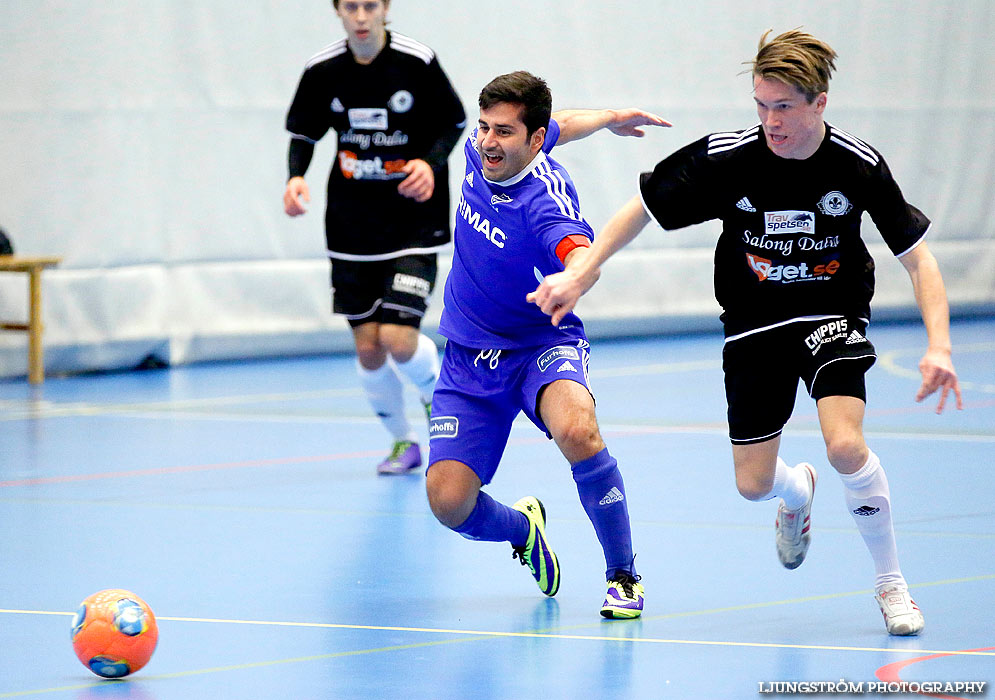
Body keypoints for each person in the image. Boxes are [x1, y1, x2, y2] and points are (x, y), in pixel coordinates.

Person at [528, 30, 963, 635]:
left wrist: (938, 346)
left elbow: (919, 258)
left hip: (830, 316)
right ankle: (795, 491)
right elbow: (642, 208)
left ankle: (892, 584)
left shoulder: (856, 166)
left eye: (783, 106)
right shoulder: (729, 157)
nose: (769, 120)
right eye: (760, 105)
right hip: (754, 324)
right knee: (753, 486)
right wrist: (582, 271)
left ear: (819, 104)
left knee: (844, 444)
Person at [424, 71, 669, 618]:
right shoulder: (481, 151)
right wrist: (608, 118)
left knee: (578, 430)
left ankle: (622, 573)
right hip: (468, 354)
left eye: (504, 133)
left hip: (540, 341)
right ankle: (523, 530)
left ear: (533, 141)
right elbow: (566, 123)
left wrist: (574, 278)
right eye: (485, 127)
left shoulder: (545, 201)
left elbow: (582, 253)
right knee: (447, 503)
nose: (488, 141)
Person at [283, 0, 466, 475]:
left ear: (385, 9)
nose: (361, 16)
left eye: (369, 6)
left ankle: (439, 404)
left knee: (399, 339)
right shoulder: (322, 69)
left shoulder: (416, 61)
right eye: (351, 7)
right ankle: (402, 443)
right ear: (338, 12)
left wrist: (428, 163)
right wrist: (295, 178)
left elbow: (454, 122)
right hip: (350, 227)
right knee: (368, 347)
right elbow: (304, 133)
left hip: (413, 224)